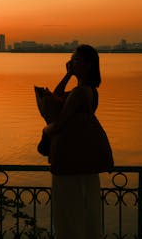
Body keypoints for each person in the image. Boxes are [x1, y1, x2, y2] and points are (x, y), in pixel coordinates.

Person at [43, 44, 114, 239]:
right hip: (79, 161)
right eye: (72, 59)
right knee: (82, 211)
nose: (72, 62)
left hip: (70, 162)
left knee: (68, 216)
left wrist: (45, 130)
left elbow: (59, 123)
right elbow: (55, 97)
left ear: (88, 64)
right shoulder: (86, 90)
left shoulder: (81, 92)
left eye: (76, 59)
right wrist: (67, 75)